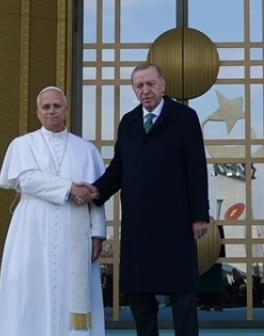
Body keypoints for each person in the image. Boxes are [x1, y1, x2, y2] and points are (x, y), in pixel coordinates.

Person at [88, 62, 208, 336]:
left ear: (163, 85)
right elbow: (119, 167)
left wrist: (199, 215)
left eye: (150, 84)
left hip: (176, 221)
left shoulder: (184, 118)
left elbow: (196, 168)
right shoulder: (128, 122)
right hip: (138, 223)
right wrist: (96, 191)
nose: (145, 90)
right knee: (140, 298)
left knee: (183, 296)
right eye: (139, 85)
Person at [0, 86, 106, 335]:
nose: (51, 111)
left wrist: (98, 233)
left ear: (66, 110)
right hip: (32, 230)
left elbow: (96, 194)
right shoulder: (22, 144)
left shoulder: (86, 149)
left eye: (56, 106)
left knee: (70, 287)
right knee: (28, 287)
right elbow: (26, 179)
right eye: (45, 107)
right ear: (38, 112)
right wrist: (69, 187)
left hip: (74, 233)